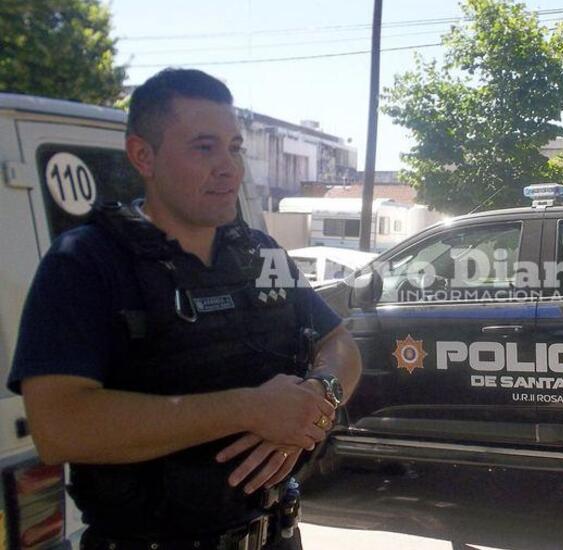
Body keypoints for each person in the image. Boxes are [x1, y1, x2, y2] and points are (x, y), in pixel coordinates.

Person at [8, 68, 361, 549]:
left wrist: (320, 398)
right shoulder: (86, 262)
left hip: (275, 534)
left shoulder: (258, 254)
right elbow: (58, 427)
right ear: (143, 156)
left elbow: (338, 342)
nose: (229, 167)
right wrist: (250, 410)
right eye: (204, 147)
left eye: (234, 147)